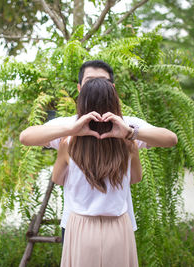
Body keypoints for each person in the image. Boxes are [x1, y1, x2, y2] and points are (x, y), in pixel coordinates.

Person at [19, 60, 178, 242]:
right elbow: (26, 137)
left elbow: (170, 139)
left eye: (102, 81)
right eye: (90, 81)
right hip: (75, 223)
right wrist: (71, 130)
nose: (96, 86)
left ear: (113, 88)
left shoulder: (127, 124)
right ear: (80, 88)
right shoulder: (68, 125)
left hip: (118, 222)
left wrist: (130, 133)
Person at [50, 78, 142, 266]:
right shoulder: (128, 143)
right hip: (118, 227)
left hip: (81, 227)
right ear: (114, 104)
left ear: (82, 105)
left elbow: (58, 179)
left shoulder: (68, 144)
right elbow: (136, 178)